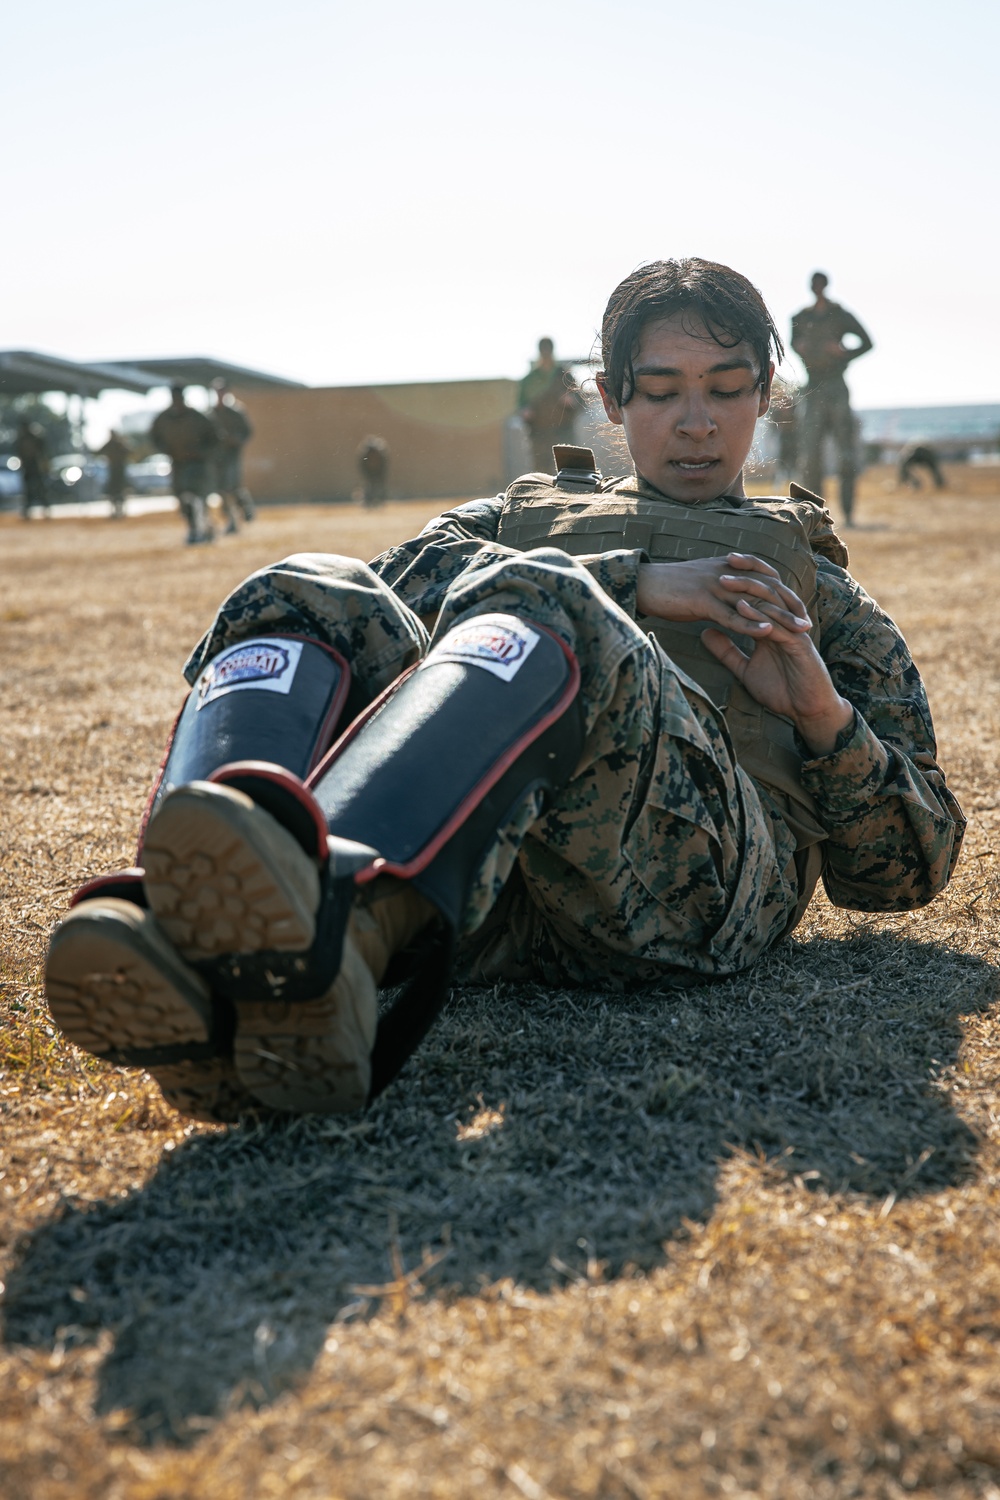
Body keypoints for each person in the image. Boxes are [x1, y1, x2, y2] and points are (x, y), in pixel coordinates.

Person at [44, 257, 964, 1129]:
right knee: (304, 587)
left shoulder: (815, 591)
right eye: (664, 389)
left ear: (765, 394)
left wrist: (820, 713)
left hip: (689, 900)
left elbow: (908, 874)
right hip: (486, 893)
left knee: (551, 596)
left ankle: (321, 927)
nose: (698, 421)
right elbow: (383, 587)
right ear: (611, 397)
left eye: (727, 390)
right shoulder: (521, 517)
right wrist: (635, 576)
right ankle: (221, 938)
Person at [791, 272, 873, 526]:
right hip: (813, 387)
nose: (817, 288)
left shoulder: (839, 314)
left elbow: (867, 342)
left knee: (845, 454)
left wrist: (843, 353)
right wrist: (801, 347)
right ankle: (816, 516)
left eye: (820, 284)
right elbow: (793, 343)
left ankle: (848, 514)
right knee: (811, 456)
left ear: (825, 286)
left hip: (836, 387)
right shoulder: (800, 317)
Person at [150, 386, 218, 544]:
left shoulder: (197, 417)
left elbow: (215, 438)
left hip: (197, 463)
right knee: (183, 498)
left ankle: (200, 530)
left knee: (195, 496)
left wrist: (201, 452)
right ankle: (198, 528)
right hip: (178, 463)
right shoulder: (164, 418)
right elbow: (154, 437)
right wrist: (165, 449)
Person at [518, 337, 583, 473]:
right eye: (543, 350)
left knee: (568, 470)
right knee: (542, 473)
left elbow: (581, 401)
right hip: (539, 434)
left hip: (563, 431)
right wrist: (525, 411)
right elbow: (520, 405)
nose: (545, 353)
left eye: (548, 349)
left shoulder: (564, 376)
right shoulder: (530, 379)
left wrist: (571, 400)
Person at [211, 379, 256, 532]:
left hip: (232, 455)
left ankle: (246, 509)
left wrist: (236, 439)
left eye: (222, 390)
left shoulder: (236, 411)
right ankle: (231, 520)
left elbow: (247, 431)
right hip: (217, 457)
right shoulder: (212, 412)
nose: (220, 394)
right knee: (221, 489)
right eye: (217, 391)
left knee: (232, 487)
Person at [14, 419, 49, 520]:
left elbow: (42, 451)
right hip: (27, 467)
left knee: (40, 490)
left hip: (34, 466)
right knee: (28, 491)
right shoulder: (22, 439)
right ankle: (27, 512)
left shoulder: (33, 438)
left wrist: (44, 464)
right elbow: (19, 453)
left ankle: (45, 510)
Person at [98, 430, 131, 519]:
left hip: (119, 471)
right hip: (113, 471)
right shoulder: (111, 444)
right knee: (114, 492)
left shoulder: (119, 444)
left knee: (119, 492)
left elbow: (128, 451)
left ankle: (120, 511)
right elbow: (99, 451)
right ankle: (115, 511)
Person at [356, 434, 389, 506]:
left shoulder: (381, 456)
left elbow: (384, 468)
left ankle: (380, 500)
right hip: (368, 471)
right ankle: (368, 501)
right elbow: (362, 467)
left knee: (379, 485)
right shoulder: (364, 457)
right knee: (368, 484)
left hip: (379, 470)